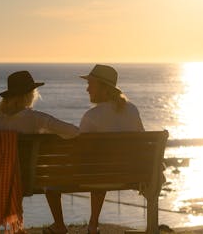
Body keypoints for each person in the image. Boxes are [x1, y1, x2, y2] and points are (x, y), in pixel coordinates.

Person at [44, 64, 144, 234]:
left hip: (98, 175)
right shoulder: (132, 110)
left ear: (104, 88)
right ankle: (92, 224)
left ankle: (59, 226)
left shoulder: (92, 116)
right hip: (129, 174)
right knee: (102, 167)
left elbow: (79, 153)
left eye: (91, 84)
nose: (87, 89)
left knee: (51, 179)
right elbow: (142, 143)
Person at [0, 70, 79, 138]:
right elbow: (75, 131)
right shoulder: (37, 118)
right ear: (29, 95)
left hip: (0, 162)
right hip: (28, 163)